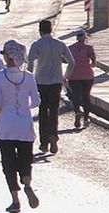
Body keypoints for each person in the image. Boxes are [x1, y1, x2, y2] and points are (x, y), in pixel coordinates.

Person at [0, 40, 41, 213]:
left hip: (6, 125)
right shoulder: (29, 76)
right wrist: (25, 106)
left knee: (8, 162)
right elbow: (36, 101)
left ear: (8, 56)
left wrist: (1, 109)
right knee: (26, 158)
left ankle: (15, 200)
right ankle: (26, 182)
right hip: (25, 124)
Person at [27, 19, 74, 154]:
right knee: (53, 111)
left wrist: (30, 78)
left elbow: (30, 62)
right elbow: (72, 62)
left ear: (40, 30)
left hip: (41, 82)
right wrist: (65, 77)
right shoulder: (59, 44)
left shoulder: (37, 44)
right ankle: (53, 135)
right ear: (51, 29)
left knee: (43, 111)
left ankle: (44, 143)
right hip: (56, 82)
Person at [67, 30, 97, 128]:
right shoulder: (89, 48)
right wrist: (93, 63)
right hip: (87, 75)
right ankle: (86, 118)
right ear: (85, 38)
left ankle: (77, 112)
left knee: (76, 95)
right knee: (86, 96)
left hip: (74, 75)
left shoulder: (70, 48)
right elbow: (93, 59)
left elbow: (65, 60)